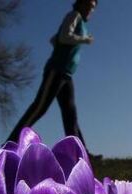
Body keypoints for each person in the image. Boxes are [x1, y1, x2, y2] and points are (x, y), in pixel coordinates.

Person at [6, 0, 100, 158]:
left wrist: (59, 40)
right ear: (80, 4)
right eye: (88, 5)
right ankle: (10, 144)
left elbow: (55, 39)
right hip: (56, 70)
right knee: (40, 106)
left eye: (92, 8)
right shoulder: (74, 15)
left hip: (67, 74)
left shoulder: (81, 22)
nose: (90, 10)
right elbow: (64, 37)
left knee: (70, 114)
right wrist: (84, 39)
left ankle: (80, 154)